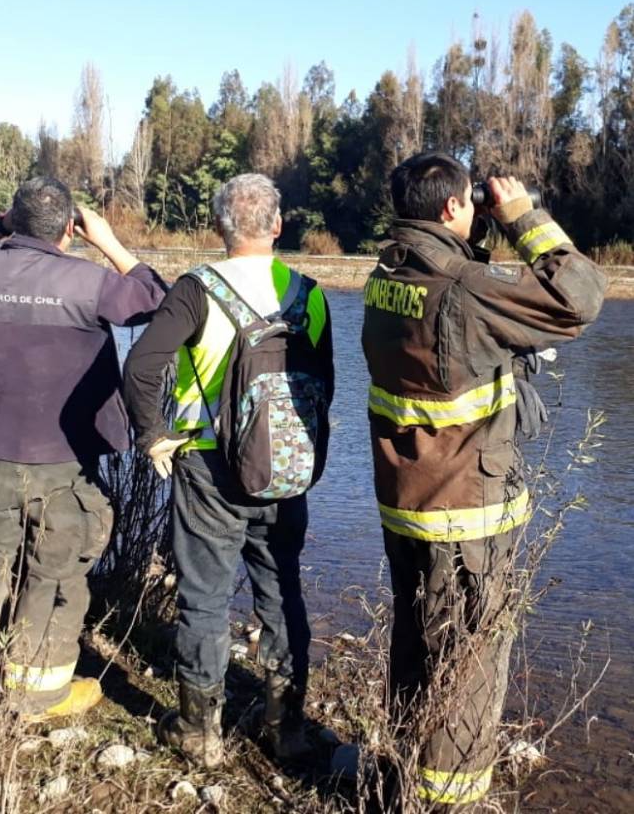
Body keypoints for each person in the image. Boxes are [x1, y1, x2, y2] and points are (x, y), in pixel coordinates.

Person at [360, 153, 606, 808]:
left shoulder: (386, 274)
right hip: (466, 512)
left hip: (405, 502)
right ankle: (453, 799)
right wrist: (524, 216)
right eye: (471, 202)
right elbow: (579, 296)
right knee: (466, 663)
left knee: (417, 644)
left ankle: (405, 779)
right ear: (450, 209)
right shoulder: (465, 286)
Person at [0, 176, 167, 719]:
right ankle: (36, 694)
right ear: (69, 229)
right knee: (53, 575)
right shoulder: (88, 281)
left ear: (13, 222)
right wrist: (106, 241)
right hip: (65, 464)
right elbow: (155, 298)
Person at [123, 173, 334, 768]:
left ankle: (198, 733)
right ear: (277, 224)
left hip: (207, 468)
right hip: (285, 470)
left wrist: (153, 436)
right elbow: (327, 387)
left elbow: (140, 370)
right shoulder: (310, 294)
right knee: (282, 590)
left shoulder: (197, 289)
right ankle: (286, 727)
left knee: (205, 598)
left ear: (219, 226)